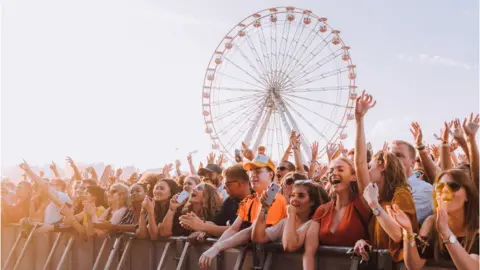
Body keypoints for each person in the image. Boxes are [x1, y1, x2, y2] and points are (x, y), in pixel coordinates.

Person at [353, 91, 418, 267]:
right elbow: (359, 163)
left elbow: (398, 235)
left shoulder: (401, 194)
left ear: (382, 166)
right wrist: (364, 241)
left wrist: (374, 206)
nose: (366, 170)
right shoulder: (378, 197)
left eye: (371, 166)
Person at [198, 153, 287, 269]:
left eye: (258, 171)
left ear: (270, 174)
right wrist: (213, 248)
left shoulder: (277, 199)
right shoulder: (249, 200)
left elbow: (250, 231)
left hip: (274, 263)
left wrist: (217, 247)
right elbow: (233, 229)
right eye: (251, 171)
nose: (253, 175)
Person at [391, 169, 479, 270]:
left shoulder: (477, 227)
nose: (445, 190)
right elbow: (415, 265)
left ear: (467, 195)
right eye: (440, 187)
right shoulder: (430, 222)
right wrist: (407, 231)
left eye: (453, 186)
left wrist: (446, 233)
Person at [300, 157, 371, 270]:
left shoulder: (361, 204)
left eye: (340, 170)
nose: (334, 173)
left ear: (353, 176)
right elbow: (309, 253)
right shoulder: (322, 210)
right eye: (331, 171)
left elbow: (360, 162)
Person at [180, 164, 253, 242]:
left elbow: (237, 231)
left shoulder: (256, 200)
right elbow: (216, 222)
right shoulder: (231, 200)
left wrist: (202, 226)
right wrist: (195, 223)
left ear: (239, 183)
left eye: (227, 184)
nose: (224, 187)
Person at [253, 180, 329, 247]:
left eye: (301, 196)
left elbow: (289, 245)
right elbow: (258, 238)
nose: (294, 199)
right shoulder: (284, 222)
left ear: (312, 202)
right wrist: (264, 207)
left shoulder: (312, 224)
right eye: (292, 195)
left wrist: (291, 215)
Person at [391, 140, 433, 224]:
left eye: (399, 155)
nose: (393, 160)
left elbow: (404, 222)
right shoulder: (382, 186)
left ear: (412, 162)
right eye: (391, 156)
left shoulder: (425, 189)